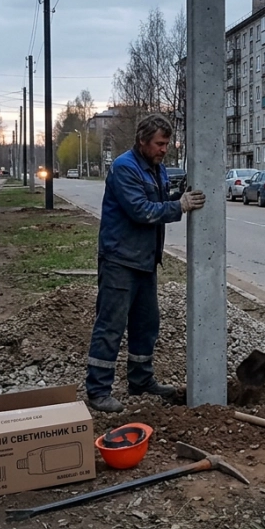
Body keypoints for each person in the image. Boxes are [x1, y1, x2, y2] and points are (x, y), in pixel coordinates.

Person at [85, 114, 206, 413]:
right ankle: (98, 391)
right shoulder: (125, 168)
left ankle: (140, 380)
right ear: (142, 141)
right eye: (159, 144)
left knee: (146, 324)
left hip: (144, 261)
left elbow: (160, 201)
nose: (165, 149)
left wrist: (181, 194)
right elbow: (141, 211)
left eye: (167, 144)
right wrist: (179, 206)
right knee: (110, 326)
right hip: (120, 260)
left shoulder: (156, 169)